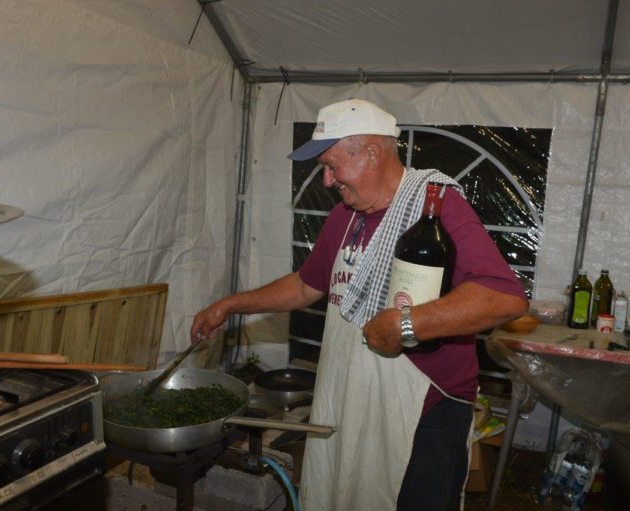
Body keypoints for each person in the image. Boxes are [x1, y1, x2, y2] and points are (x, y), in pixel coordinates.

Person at [191, 99, 528, 511]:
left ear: (370, 153)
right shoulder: (346, 216)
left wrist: (407, 325)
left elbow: (503, 296)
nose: (327, 180)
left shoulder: (436, 208)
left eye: (332, 166)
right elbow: (306, 285)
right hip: (353, 396)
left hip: (423, 411)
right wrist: (230, 305)